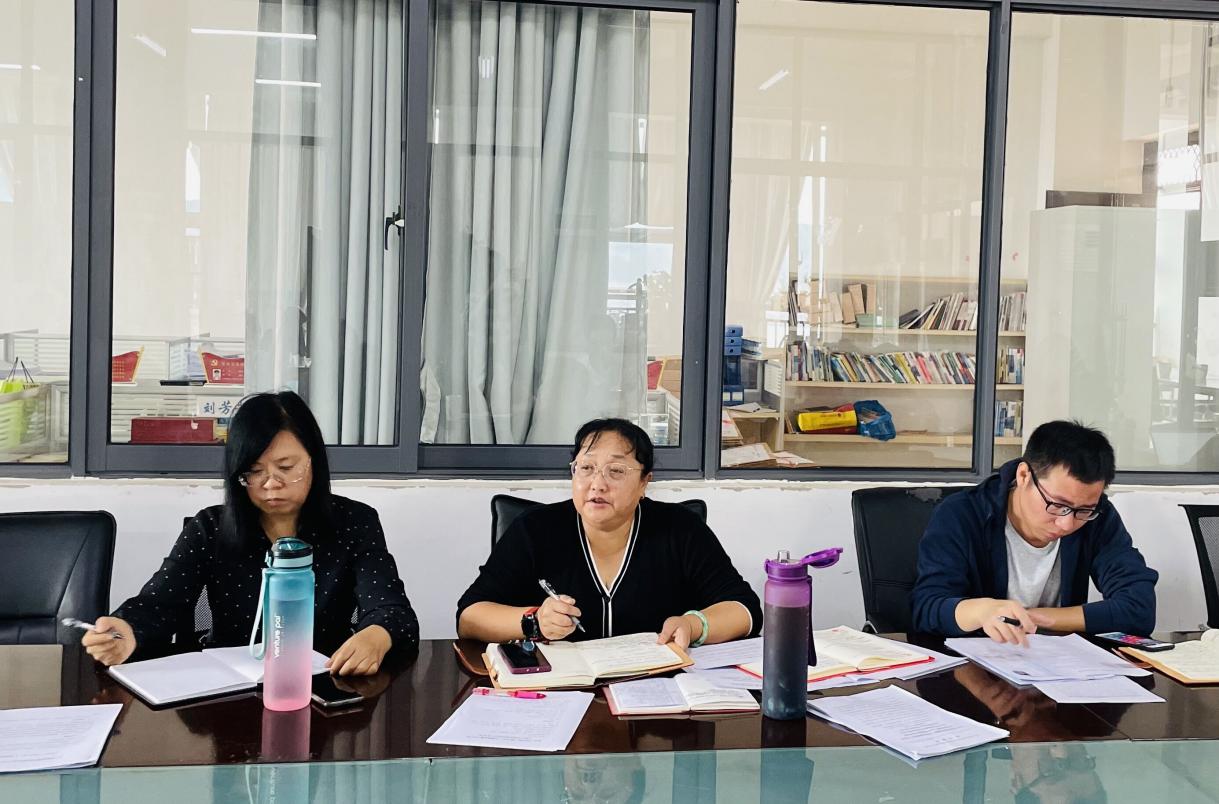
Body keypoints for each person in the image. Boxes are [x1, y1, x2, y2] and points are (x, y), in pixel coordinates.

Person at [83, 391, 419, 675]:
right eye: (254, 472)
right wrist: (126, 629)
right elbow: (159, 604)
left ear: (314, 462)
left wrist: (377, 635)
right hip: (226, 688)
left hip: (323, 681)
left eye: (286, 468)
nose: (271, 484)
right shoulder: (210, 528)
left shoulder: (355, 522)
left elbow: (392, 609)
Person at [456, 418, 762, 648]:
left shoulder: (680, 529)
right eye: (586, 468)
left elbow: (744, 609)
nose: (598, 484)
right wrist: (533, 621)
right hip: (560, 692)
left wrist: (694, 626)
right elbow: (470, 616)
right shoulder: (534, 529)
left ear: (644, 482)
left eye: (616, 471)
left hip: (656, 698)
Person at [910, 419, 1157, 645]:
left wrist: (1036, 618)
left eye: (1084, 510)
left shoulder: (1098, 518)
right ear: (1024, 475)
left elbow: (1138, 608)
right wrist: (982, 612)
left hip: (1059, 664)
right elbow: (926, 608)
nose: (1067, 524)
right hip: (975, 665)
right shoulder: (962, 514)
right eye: (1058, 505)